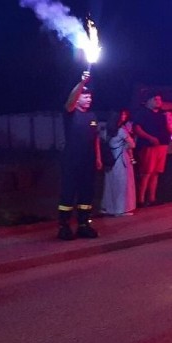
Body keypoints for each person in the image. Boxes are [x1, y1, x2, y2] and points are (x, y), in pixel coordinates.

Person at [58, 71, 102, 240]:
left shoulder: (92, 116)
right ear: (78, 98)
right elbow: (70, 101)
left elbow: (96, 138)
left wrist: (98, 158)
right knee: (68, 192)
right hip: (71, 160)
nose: (89, 99)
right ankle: (64, 226)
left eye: (90, 97)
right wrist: (82, 83)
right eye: (85, 97)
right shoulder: (70, 113)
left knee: (86, 193)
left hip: (88, 160)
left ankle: (84, 225)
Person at [133, 92, 171, 207]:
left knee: (156, 173)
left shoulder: (161, 115)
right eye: (155, 99)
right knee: (146, 172)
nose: (158, 101)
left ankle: (152, 198)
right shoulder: (143, 113)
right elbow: (137, 128)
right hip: (149, 146)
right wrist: (150, 138)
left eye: (160, 99)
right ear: (149, 101)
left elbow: (167, 129)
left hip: (162, 146)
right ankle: (140, 199)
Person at [101, 109, 136, 216]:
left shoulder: (105, 130)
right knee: (122, 185)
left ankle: (108, 208)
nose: (124, 117)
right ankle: (120, 209)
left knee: (110, 185)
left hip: (109, 160)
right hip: (120, 159)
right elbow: (132, 144)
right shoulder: (121, 131)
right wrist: (125, 146)